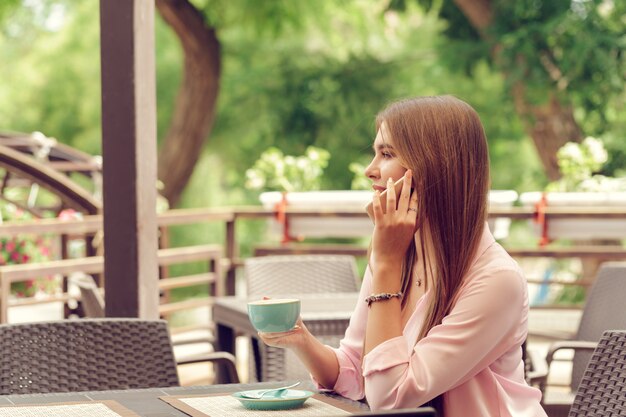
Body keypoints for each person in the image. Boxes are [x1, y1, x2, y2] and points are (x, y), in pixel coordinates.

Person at [258, 95, 547, 417]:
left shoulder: (496, 279)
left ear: (434, 164)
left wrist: (386, 263)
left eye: (387, 154)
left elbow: (390, 398)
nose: (370, 170)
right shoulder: (397, 253)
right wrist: (301, 340)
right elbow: (357, 369)